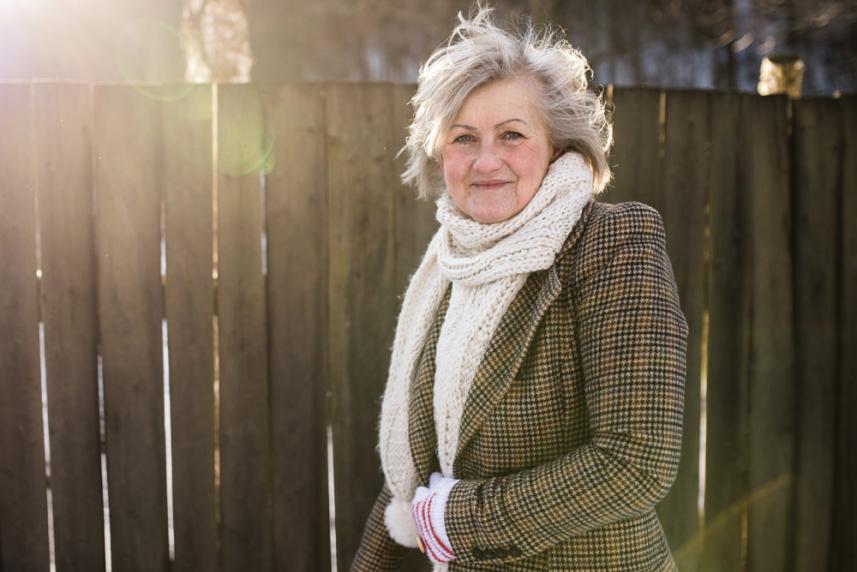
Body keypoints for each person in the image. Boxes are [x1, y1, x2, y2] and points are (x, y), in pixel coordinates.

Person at [351, 5, 688, 571]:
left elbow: (636, 460)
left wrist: (456, 519)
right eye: (464, 138)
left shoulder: (611, 243)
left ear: (557, 144)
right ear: (440, 153)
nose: (487, 162)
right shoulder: (449, 264)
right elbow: (416, 470)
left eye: (512, 134)